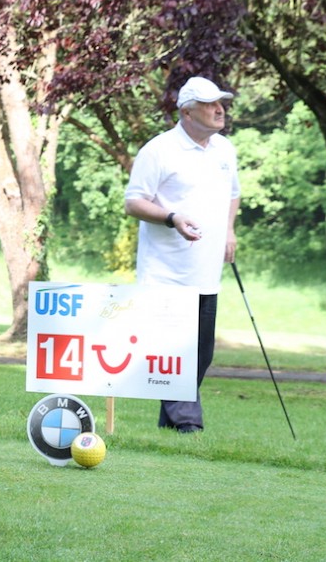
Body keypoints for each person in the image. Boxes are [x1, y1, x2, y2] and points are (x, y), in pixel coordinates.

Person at [124, 76, 241, 433]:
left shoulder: (224, 149)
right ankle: (188, 423)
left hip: (206, 273)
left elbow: (233, 194)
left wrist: (229, 229)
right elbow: (134, 203)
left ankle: (169, 426)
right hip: (166, 273)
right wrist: (172, 217)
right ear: (187, 111)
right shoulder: (158, 150)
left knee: (202, 356)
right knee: (175, 353)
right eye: (209, 104)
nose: (219, 109)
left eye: (220, 102)